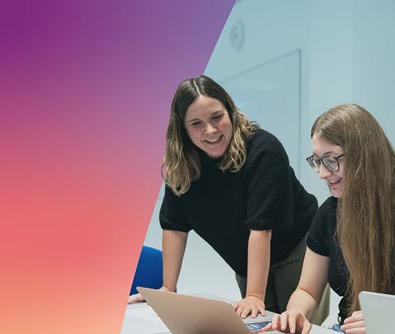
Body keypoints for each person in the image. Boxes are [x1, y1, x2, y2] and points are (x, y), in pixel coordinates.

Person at [128, 75, 319, 320]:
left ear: (230, 111)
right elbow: (174, 226)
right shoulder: (181, 168)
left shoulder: (263, 150)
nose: (210, 130)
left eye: (217, 117)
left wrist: (254, 295)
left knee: (291, 328)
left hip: (296, 247)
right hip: (246, 259)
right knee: (257, 330)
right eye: (196, 123)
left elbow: (262, 229)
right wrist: (168, 289)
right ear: (183, 129)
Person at [263, 103, 395, 334]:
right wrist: (296, 313)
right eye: (317, 161)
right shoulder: (329, 213)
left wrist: (388, 323)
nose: (323, 173)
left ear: (364, 154)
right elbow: (307, 291)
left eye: (331, 160)